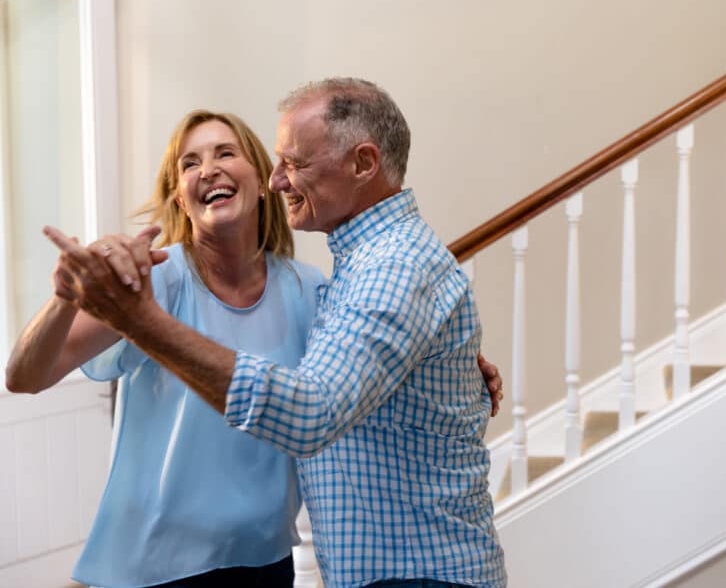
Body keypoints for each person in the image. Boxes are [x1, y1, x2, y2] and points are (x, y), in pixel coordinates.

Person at [7, 108, 503, 588]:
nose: (209, 169)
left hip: (264, 563)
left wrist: (459, 369)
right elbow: (23, 376)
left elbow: (357, 371)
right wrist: (63, 299)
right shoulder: (154, 282)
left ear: (265, 181)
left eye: (226, 152)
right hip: (155, 566)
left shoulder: (311, 291)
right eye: (190, 162)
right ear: (179, 198)